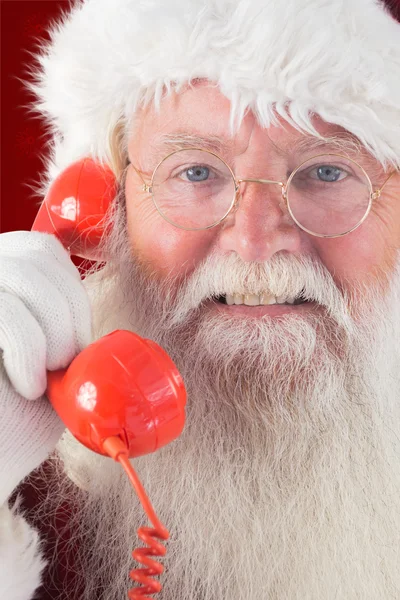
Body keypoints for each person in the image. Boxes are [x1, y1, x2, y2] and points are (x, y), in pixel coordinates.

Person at [1, 0, 400, 598]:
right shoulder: (22, 488)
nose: (256, 243)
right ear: (106, 207)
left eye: (327, 172)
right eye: (195, 173)